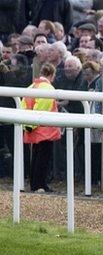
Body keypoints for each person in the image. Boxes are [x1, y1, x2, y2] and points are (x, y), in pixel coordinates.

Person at [20, 63, 60, 193]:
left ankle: (35, 184)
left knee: (36, 157)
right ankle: (40, 185)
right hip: (44, 129)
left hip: (31, 127)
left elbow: (23, 105)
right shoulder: (48, 88)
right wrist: (32, 125)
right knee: (43, 159)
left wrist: (27, 126)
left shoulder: (32, 86)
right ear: (52, 75)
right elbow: (41, 109)